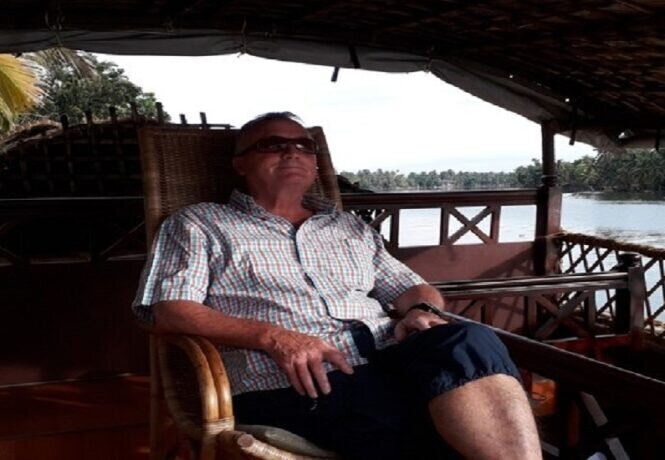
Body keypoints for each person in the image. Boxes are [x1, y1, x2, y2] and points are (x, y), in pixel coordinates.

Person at [133, 112, 541, 459]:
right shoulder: (199, 224)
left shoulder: (348, 227)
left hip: (389, 356)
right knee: (426, 427)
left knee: (468, 339)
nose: (292, 151)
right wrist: (274, 337)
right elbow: (171, 310)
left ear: (314, 163)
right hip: (302, 379)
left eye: (303, 145)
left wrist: (421, 311)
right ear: (240, 163)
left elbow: (412, 288)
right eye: (272, 144)